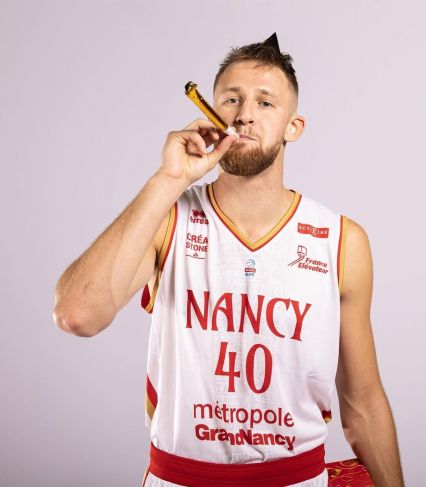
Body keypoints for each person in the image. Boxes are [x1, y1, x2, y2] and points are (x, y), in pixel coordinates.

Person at [53, 33, 405, 487]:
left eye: (265, 102)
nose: (245, 114)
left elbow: (362, 402)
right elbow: (77, 314)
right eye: (231, 99)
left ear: (293, 127)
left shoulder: (341, 241)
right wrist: (168, 179)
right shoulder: (167, 218)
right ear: (212, 114)